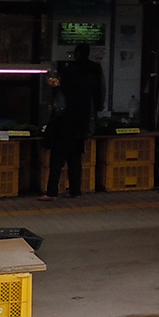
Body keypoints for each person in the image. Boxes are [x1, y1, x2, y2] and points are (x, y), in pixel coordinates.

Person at [41, 43, 104, 200]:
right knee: (75, 159)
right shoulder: (95, 70)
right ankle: (75, 191)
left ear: (76, 53)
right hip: (81, 123)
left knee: (57, 160)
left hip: (64, 124)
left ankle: (52, 192)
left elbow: (59, 100)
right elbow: (100, 94)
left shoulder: (69, 71)